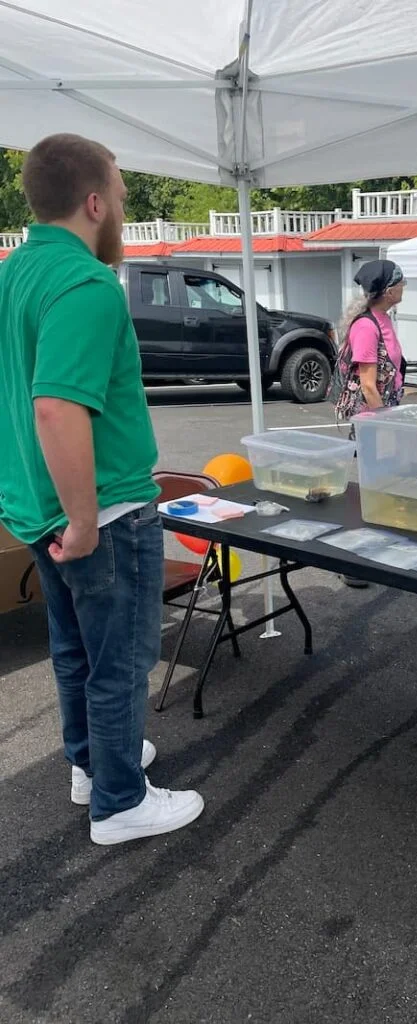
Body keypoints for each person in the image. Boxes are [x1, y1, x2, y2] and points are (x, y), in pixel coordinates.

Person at [0, 134, 204, 845]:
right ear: (93, 202)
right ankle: (119, 802)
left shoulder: (12, 273)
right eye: (118, 196)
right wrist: (86, 520)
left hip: (36, 507)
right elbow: (56, 406)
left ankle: (92, 764)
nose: (120, 207)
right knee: (118, 662)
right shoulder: (86, 284)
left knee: (77, 653)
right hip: (101, 513)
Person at [334, 258, 406, 587]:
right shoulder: (367, 326)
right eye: (401, 282)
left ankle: (369, 556)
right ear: (389, 290)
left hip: (384, 418)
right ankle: (352, 562)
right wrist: (386, 424)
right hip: (372, 421)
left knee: (379, 488)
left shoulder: (383, 320)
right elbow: (367, 384)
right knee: (369, 492)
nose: (405, 287)